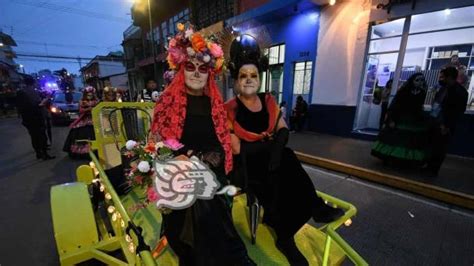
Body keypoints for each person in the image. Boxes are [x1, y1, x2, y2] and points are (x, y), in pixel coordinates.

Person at [225, 34, 344, 266]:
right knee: (277, 176)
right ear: (236, 80)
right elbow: (238, 147)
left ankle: (304, 216)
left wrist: (276, 147)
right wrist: (274, 147)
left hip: (271, 157)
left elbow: (283, 129)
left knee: (286, 160)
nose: (248, 80)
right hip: (246, 165)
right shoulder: (228, 109)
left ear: (259, 78)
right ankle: (287, 236)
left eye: (253, 75)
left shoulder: (268, 101)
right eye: (243, 76)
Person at [150, 24, 254, 266]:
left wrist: (202, 160)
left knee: (205, 194)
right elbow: (157, 141)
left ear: (210, 73)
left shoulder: (215, 105)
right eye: (190, 67)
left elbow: (221, 143)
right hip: (176, 169)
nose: (196, 73)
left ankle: (216, 256)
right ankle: (223, 256)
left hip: (210, 166)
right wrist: (181, 158)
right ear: (181, 70)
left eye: (202, 69)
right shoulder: (166, 102)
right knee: (198, 195)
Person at [371, 73, 429, 166]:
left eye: (421, 80)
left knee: (409, 140)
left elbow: (419, 106)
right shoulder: (404, 91)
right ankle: (389, 157)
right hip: (400, 117)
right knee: (395, 138)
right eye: (417, 80)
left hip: (414, 119)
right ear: (412, 81)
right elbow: (395, 105)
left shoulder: (422, 92)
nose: (419, 82)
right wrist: (391, 119)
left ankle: (405, 160)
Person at [424, 67, 468, 176]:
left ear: (449, 77)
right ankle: (428, 166)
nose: (440, 79)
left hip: (445, 125)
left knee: (440, 148)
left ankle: (433, 170)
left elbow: (457, 111)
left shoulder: (460, 92)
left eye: (443, 77)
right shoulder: (444, 88)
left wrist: (447, 125)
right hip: (435, 120)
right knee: (432, 145)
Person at [16, 76, 55, 160]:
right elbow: (36, 105)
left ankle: (38, 153)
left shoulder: (21, 92)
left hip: (27, 119)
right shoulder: (32, 92)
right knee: (41, 136)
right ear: (33, 83)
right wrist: (42, 103)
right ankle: (44, 154)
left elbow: (20, 106)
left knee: (34, 136)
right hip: (36, 117)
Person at [63, 86, 99, 158]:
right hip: (84, 120)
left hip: (95, 119)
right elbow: (80, 111)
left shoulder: (97, 101)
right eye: (88, 94)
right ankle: (82, 152)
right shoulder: (82, 102)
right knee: (80, 133)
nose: (90, 96)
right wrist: (88, 109)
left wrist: (94, 109)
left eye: (91, 94)